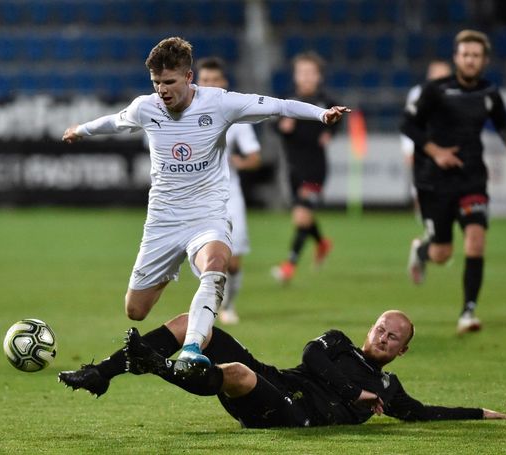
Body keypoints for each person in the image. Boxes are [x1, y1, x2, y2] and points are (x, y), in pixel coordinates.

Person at [62, 37, 350, 372]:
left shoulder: (219, 103)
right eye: (156, 83)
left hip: (206, 214)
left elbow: (280, 106)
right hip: (163, 220)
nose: (162, 91)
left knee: (216, 266)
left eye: (168, 82)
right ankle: (174, 272)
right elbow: (114, 121)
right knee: (135, 310)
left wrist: (321, 114)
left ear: (188, 76)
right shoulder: (146, 107)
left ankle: (192, 348)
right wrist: (80, 130)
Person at [58, 310, 506, 428]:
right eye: (380, 328)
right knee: (194, 326)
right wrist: (354, 394)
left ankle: (155, 365)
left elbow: (423, 413)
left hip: (296, 415)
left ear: (402, 351)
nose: (382, 337)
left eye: (393, 338)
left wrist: (479, 414)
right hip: (280, 381)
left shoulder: (389, 389)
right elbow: (311, 357)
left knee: (235, 372)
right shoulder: (336, 343)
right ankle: (103, 372)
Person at [400, 30, 506, 335]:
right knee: (442, 254)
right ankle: (422, 251)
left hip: (471, 178)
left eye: (476, 55)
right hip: (433, 180)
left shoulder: (489, 92)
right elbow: (408, 125)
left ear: (484, 60)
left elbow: (503, 119)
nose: (470, 60)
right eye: (465, 54)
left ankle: (468, 312)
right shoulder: (436, 90)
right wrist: (436, 151)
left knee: (476, 240)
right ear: (457, 58)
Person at [196, 56, 262, 325]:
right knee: (208, 259)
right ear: (196, 82)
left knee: (233, 262)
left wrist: (239, 161)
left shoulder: (236, 116)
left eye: (215, 80)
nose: (210, 85)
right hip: (196, 196)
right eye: (205, 80)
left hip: (229, 194)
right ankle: (208, 308)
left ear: (223, 83)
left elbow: (255, 157)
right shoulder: (182, 113)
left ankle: (229, 305)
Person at [271, 52, 341, 284]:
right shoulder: (287, 100)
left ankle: (289, 266)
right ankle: (322, 243)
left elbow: (339, 121)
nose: (306, 77)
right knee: (304, 216)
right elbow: (272, 124)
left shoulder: (326, 101)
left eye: (311, 73)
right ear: (295, 75)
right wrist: (283, 127)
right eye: (302, 72)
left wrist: (330, 132)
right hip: (293, 168)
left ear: (319, 76)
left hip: (315, 168)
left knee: (301, 218)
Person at [400, 60, 453, 219]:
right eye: (438, 74)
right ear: (430, 76)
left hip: (447, 149)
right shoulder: (418, 93)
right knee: (422, 190)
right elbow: (408, 123)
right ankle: (425, 225)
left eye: (445, 75)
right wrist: (408, 149)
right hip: (423, 148)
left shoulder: (455, 94)